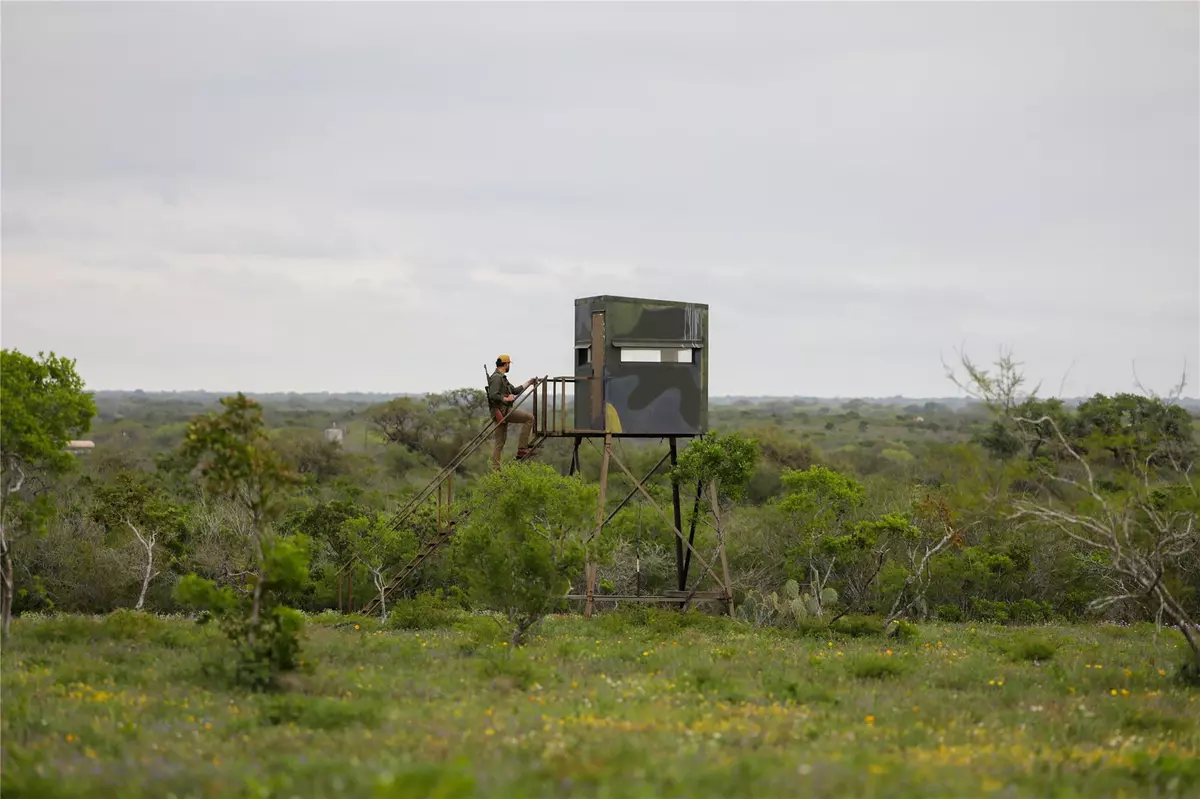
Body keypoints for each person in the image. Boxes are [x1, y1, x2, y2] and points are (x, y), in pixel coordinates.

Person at [487, 354, 536, 469]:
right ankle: (522, 448)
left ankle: (496, 469)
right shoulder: (497, 378)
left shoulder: (501, 377)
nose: (509, 366)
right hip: (503, 411)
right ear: (506, 364)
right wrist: (506, 399)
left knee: (500, 442)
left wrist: (528, 383)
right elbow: (493, 395)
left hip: (502, 412)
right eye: (509, 364)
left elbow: (514, 390)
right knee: (529, 418)